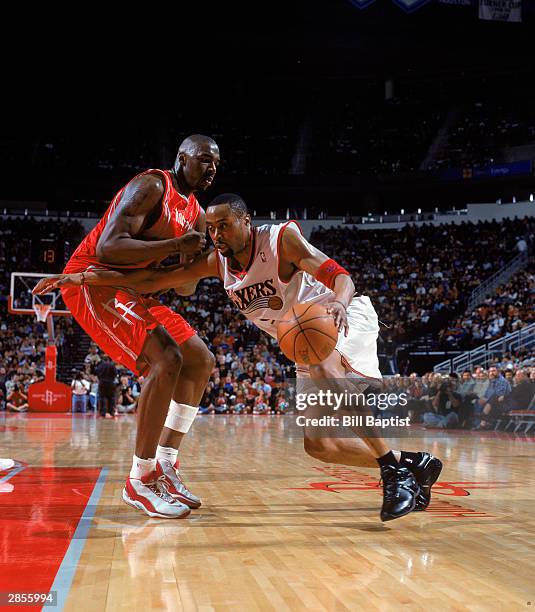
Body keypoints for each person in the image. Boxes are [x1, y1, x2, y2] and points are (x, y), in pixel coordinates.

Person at [36, 194, 444, 522]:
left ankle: (393, 474)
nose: (215, 234)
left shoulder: (281, 239)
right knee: (320, 446)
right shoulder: (217, 263)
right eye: (210, 228)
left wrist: (338, 302)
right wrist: (83, 277)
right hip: (300, 340)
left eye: (223, 225)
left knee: (323, 362)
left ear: (246, 222)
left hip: (336, 315)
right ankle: (414, 464)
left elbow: (340, 275)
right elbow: (151, 281)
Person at [33, 135, 220, 519]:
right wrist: (172, 247)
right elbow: (108, 247)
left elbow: (184, 288)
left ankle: (165, 464)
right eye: (204, 160)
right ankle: (140, 479)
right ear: (181, 159)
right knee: (165, 359)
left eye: (216, 163)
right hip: (94, 279)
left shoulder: (197, 213)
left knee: (200, 359)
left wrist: (192, 262)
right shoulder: (152, 185)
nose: (212, 168)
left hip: (136, 287)